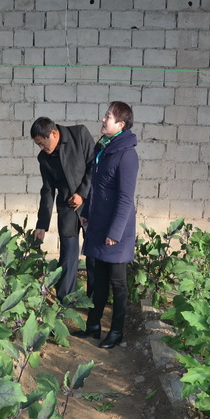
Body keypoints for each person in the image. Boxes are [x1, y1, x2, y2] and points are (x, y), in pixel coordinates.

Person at [76, 101, 139, 350]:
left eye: (108, 117)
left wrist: (115, 232)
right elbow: (96, 186)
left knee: (118, 282)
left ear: (121, 124)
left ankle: (116, 331)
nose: (103, 120)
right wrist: (86, 212)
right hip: (99, 223)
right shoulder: (104, 148)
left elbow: (125, 198)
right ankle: (93, 326)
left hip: (116, 229)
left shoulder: (127, 155)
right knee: (98, 278)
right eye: (105, 115)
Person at [31, 117, 95, 301]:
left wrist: (82, 194)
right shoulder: (44, 158)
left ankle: (94, 303)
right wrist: (42, 225)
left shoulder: (79, 135)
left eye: (42, 143)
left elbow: (94, 165)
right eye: (38, 145)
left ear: (53, 133)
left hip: (90, 204)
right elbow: (47, 191)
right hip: (67, 208)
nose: (41, 148)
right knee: (68, 254)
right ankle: (65, 303)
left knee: (93, 256)